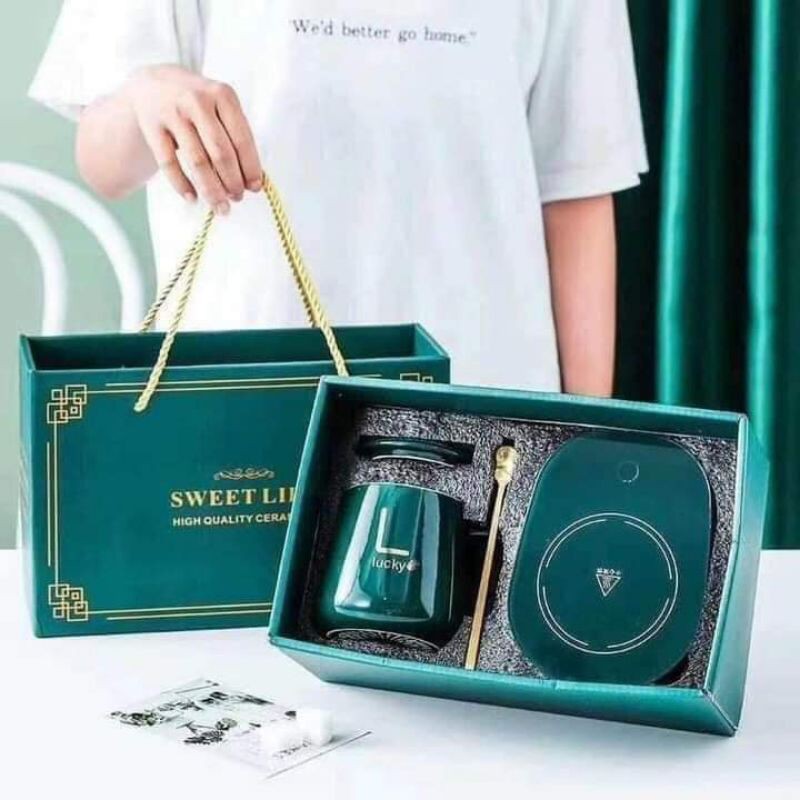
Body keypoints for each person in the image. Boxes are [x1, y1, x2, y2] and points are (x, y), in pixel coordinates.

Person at [30, 0, 647, 395]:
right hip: (244, 382)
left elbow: (576, 190)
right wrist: (146, 91)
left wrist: (583, 435)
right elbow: (103, 165)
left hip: (486, 390)